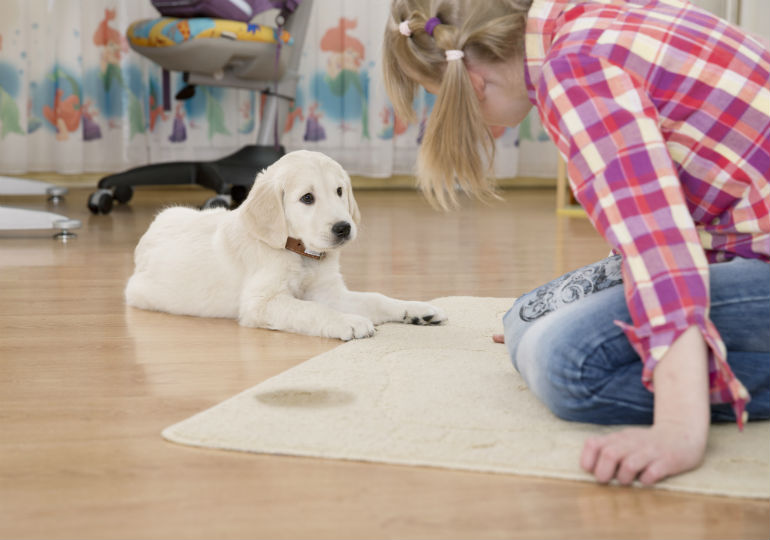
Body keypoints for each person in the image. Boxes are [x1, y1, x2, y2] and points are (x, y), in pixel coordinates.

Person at [382, 0, 770, 486]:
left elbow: (659, 250)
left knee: (566, 361)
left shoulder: (576, 71)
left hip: (739, 251)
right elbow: (658, 207)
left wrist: (677, 426)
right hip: (737, 241)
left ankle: (687, 386)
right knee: (527, 316)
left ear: (473, 85)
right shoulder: (585, 20)